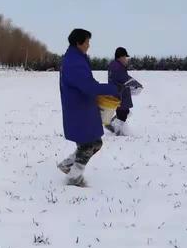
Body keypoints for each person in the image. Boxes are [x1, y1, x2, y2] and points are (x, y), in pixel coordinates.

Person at [58, 29, 119, 186]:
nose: (89, 45)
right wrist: (112, 89)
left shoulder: (76, 58)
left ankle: (68, 165)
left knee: (93, 143)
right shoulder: (74, 62)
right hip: (79, 108)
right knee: (89, 144)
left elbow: (88, 84)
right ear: (78, 43)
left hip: (82, 106)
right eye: (87, 42)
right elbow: (88, 86)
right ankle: (74, 178)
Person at [106, 47, 143, 136]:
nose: (126, 59)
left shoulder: (114, 65)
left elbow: (123, 78)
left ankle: (114, 125)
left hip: (118, 92)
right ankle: (118, 130)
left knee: (123, 111)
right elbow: (124, 78)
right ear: (120, 57)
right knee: (122, 112)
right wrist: (136, 85)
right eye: (125, 57)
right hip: (120, 93)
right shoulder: (118, 67)